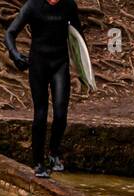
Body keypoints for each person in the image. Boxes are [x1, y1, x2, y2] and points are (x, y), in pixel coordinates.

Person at [4, 0, 83, 178]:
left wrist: (84, 71)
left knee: (61, 113)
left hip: (60, 64)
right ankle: (38, 162)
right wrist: (15, 55)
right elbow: (10, 33)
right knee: (40, 114)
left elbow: (79, 37)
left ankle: (53, 154)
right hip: (38, 64)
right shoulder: (32, 6)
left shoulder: (69, 5)